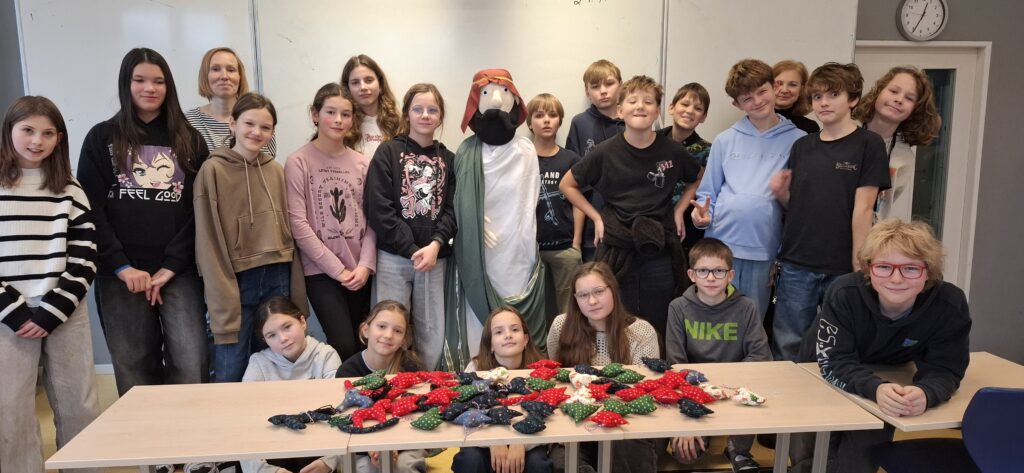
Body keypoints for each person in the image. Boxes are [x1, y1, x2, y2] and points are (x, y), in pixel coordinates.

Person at [789, 219, 971, 473]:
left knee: (859, 459)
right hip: (819, 367)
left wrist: (927, 392)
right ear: (868, 268)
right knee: (811, 450)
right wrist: (875, 388)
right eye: (884, 267)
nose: (896, 279)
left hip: (889, 374)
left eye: (910, 268)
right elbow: (835, 361)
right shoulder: (844, 293)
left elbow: (946, 367)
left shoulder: (949, 304)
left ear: (928, 271)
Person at [77, 47, 208, 395]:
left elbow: (201, 210)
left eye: (158, 81)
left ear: (169, 86)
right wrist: (121, 266)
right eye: (140, 80)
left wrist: (172, 265)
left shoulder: (190, 139)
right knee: (133, 365)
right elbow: (90, 209)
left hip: (179, 272)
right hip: (120, 274)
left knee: (191, 361)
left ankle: (187, 431)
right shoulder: (101, 137)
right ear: (126, 83)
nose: (149, 88)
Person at [0, 96, 100, 473]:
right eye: (27, 130)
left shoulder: (70, 189)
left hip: (64, 311)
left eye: (48, 133)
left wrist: (53, 309)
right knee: (10, 410)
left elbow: (85, 253)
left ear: (59, 138)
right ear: (9, 131)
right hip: (7, 318)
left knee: (79, 405)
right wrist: (13, 311)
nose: (36, 141)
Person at [561, 75, 702, 342]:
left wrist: (679, 210)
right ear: (620, 111)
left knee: (660, 315)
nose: (640, 106)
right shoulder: (604, 152)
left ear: (657, 111)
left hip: (659, 247)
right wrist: (596, 217)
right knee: (616, 317)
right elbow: (567, 184)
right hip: (617, 246)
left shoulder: (672, 151)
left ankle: (659, 365)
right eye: (633, 101)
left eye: (648, 102)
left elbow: (697, 177)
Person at [770, 62, 890, 362]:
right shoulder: (802, 146)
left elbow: (864, 207)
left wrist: (859, 261)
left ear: (853, 99)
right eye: (817, 97)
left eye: (833, 94)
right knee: (789, 343)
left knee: (840, 342)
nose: (823, 103)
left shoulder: (869, 144)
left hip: (843, 265)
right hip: (797, 260)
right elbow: (798, 206)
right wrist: (781, 193)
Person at [195, 93, 306, 382]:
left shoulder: (276, 170)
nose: (257, 132)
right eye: (249, 124)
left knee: (275, 367)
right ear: (232, 124)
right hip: (235, 279)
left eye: (265, 127)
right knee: (230, 369)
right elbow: (208, 239)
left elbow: (288, 234)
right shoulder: (212, 169)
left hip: (277, 276)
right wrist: (221, 291)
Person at [690, 58, 805, 322]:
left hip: (764, 249)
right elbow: (707, 194)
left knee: (751, 322)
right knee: (715, 321)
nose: (758, 101)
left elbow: (800, 206)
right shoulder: (725, 140)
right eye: (747, 98)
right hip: (720, 247)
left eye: (762, 91)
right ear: (737, 104)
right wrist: (701, 217)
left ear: (774, 87)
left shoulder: (799, 141)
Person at [363, 83, 455, 370]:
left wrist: (435, 245)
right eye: (418, 109)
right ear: (407, 114)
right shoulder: (388, 152)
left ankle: (427, 383)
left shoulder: (450, 159)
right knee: (388, 329)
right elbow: (378, 207)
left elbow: (453, 210)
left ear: (440, 117)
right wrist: (411, 248)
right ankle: (388, 383)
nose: (425, 115)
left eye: (432, 110)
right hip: (393, 256)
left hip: (434, 258)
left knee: (431, 331)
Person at [285, 83, 375, 361]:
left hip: (360, 270)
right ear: (315, 115)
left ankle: (364, 391)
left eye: (345, 114)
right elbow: (298, 223)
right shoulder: (298, 161)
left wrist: (365, 265)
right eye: (330, 112)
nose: (338, 120)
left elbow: (373, 219)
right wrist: (337, 271)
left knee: (365, 342)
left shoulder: (362, 163)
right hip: (321, 272)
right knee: (343, 344)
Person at [665, 238, 771, 473]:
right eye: (703, 271)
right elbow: (676, 364)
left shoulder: (746, 307)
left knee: (757, 384)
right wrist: (686, 420)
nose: (711, 278)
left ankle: (738, 450)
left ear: (730, 275)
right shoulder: (678, 308)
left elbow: (760, 356)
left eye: (719, 271)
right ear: (692, 275)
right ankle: (701, 431)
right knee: (685, 455)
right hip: (694, 389)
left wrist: (727, 387)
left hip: (735, 388)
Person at [546, 262, 659, 473]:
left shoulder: (641, 332)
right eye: (583, 295)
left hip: (628, 424)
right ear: (575, 299)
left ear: (613, 290)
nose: (592, 301)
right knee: (562, 461)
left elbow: (645, 392)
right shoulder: (561, 326)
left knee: (627, 451)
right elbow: (556, 383)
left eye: (599, 291)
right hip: (575, 423)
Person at [240, 296, 342, 473]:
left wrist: (329, 462)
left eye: (287, 327)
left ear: (302, 321)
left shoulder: (326, 356)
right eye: (272, 335)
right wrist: (266, 470)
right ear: (265, 340)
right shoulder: (258, 363)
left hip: (318, 449)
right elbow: (244, 422)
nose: (283, 338)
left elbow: (341, 412)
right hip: (272, 452)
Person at [452, 307, 552, 473]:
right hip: (483, 437)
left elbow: (549, 415)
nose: (508, 335)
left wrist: (521, 441)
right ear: (490, 344)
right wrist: (493, 440)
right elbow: (466, 410)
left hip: (529, 438)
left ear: (525, 339)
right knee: (471, 459)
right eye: (499, 332)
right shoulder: (475, 369)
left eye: (515, 329)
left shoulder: (541, 370)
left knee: (538, 463)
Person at [337, 300, 426, 473]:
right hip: (361, 443)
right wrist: (372, 449)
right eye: (382, 326)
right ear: (366, 330)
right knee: (365, 469)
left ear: (404, 339)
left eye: (397, 331)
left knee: (403, 467)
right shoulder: (348, 371)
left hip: (408, 439)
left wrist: (394, 446)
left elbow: (420, 413)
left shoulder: (412, 366)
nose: (388, 335)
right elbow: (347, 420)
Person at [853, 66, 942, 221]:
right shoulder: (845, 131)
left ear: (915, 109)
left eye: (909, 98)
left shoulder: (904, 158)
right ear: (878, 91)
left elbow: (884, 206)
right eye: (894, 91)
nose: (899, 100)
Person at [565, 59, 624, 263]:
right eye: (596, 86)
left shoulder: (633, 120)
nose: (603, 91)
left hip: (627, 218)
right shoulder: (580, 123)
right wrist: (577, 238)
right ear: (587, 91)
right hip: (591, 221)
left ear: (621, 85)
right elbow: (573, 179)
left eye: (609, 83)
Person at [528, 93, 582, 312]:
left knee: (569, 310)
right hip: (530, 250)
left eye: (552, 115)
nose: (546, 120)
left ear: (560, 121)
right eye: (539, 115)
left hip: (565, 248)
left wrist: (576, 243)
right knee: (534, 309)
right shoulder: (522, 159)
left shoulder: (571, 159)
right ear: (529, 123)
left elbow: (578, 203)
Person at [186, 47, 277, 156]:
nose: (224, 76)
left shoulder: (261, 118)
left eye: (231, 70)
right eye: (215, 69)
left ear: (240, 77)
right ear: (205, 76)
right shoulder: (187, 122)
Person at [656, 83, 712, 256]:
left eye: (698, 108)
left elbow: (706, 189)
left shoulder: (708, 151)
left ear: (703, 117)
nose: (689, 111)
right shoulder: (652, 140)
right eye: (685, 104)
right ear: (671, 108)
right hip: (651, 220)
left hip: (686, 225)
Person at [341, 54, 400, 160]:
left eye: (369, 80)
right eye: (355, 83)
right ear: (347, 88)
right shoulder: (341, 125)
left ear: (380, 84)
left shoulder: (398, 123)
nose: (363, 87)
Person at [772, 60, 821, 134]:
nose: (784, 90)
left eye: (793, 85)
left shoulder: (809, 128)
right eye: (779, 84)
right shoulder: (755, 121)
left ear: (801, 90)